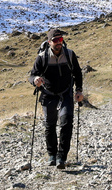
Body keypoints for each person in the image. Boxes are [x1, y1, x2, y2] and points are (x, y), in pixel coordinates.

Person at [28, 28, 84, 169]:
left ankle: (62, 157)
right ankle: (52, 155)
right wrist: (35, 80)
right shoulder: (42, 57)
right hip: (48, 94)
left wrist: (78, 90)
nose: (59, 43)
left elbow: (77, 73)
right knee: (50, 124)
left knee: (66, 123)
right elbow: (32, 75)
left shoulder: (69, 54)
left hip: (66, 93)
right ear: (49, 42)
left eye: (60, 40)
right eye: (55, 40)